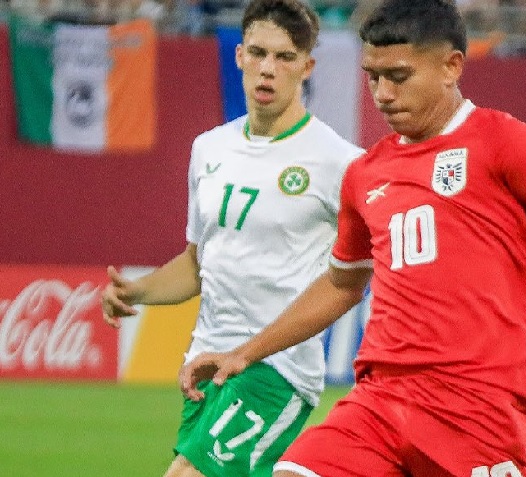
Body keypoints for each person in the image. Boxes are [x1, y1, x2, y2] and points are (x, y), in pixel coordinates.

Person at [180, 0, 526, 476]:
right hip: (379, 400)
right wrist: (245, 353)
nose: (383, 94)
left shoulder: (505, 141)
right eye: (373, 77)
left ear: (451, 66)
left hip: (476, 408)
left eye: (398, 76)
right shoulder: (366, 173)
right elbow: (341, 284)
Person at [100, 1, 363, 476]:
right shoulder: (209, 149)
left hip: (276, 370)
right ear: (239, 56)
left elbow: (359, 271)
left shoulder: (339, 162)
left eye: (284, 57)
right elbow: (197, 264)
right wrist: (136, 292)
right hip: (206, 363)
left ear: (307, 67)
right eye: (258, 53)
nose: (268, 68)